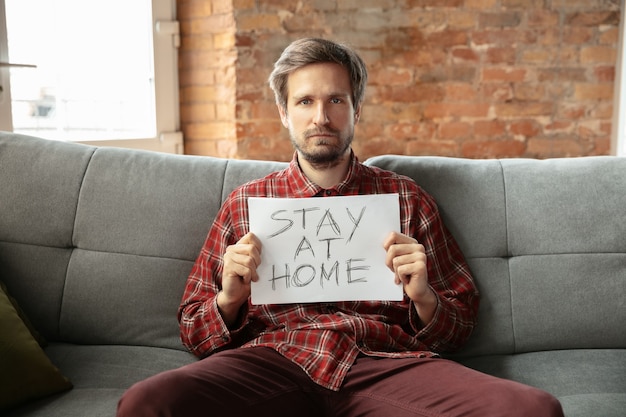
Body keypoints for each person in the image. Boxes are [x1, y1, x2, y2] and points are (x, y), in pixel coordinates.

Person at [117, 38, 563, 417]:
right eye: (305, 101)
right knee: (147, 402)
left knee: (533, 410)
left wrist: (424, 295)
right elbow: (194, 330)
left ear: (356, 108)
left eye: (336, 100)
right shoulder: (245, 205)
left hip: (383, 363)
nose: (321, 117)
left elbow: (459, 327)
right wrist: (229, 299)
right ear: (284, 112)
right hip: (272, 361)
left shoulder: (406, 199)